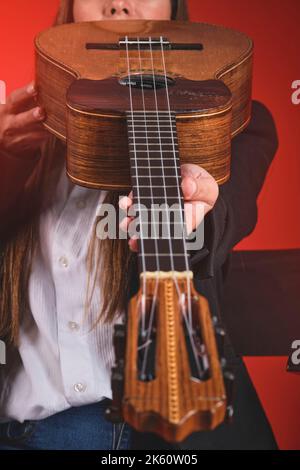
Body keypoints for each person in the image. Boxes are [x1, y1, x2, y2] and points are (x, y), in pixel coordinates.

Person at [0, 0, 278, 450]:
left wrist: (191, 214)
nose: (118, 3)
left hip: (124, 432)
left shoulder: (232, 125)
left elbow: (220, 214)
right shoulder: (23, 137)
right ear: (69, 10)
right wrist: (6, 162)